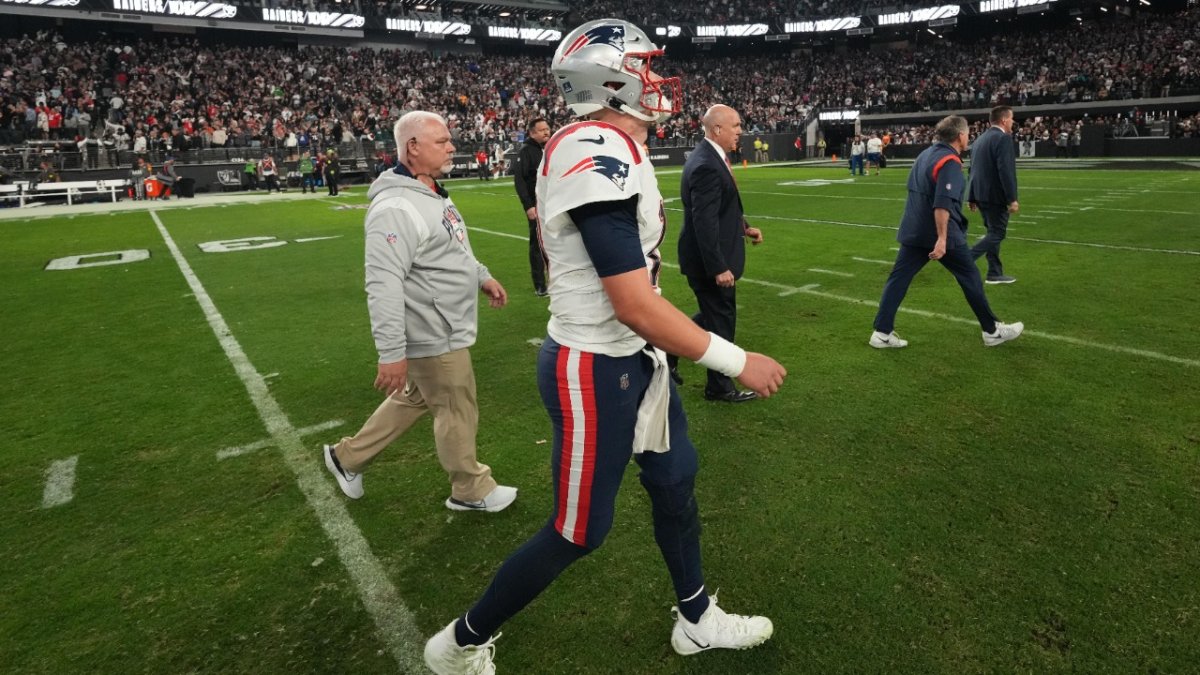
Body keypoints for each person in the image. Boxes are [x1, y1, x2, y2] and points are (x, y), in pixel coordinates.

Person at [423, 19, 787, 675]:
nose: (657, 77)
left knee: (676, 480)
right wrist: (735, 359)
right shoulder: (593, 147)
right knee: (577, 530)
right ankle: (460, 640)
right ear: (611, 79)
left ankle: (697, 619)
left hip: (633, 360)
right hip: (594, 367)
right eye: (645, 65)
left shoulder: (613, 143)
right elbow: (632, 300)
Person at [322, 110, 517, 512]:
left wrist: (481, 276)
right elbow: (383, 282)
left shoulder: (430, 190)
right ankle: (470, 489)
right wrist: (391, 351)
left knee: (417, 397)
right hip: (432, 328)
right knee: (456, 404)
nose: (452, 147)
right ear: (412, 147)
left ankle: (347, 457)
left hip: (441, 321)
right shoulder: (396, 206)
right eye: (442, 141)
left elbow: (453, 247)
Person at [868, 115, 1024, 349]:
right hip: (940, 234)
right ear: (960, 135)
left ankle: (881, 333)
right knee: (970, 276)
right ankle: (991, 330)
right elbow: (942, 203)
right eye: (968, 132)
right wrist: (941, 238)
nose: (969, 136)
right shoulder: (949, 160)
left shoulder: (925, 154)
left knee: (898, 279)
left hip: (913, 229)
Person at [671, 104, 763, 402]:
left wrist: (744, 227)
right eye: (736, 126)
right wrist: (718, 267)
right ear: (717, 129)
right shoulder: (706, 164)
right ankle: (719, 386)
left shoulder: (711, 157)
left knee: (712, 316)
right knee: (721, 319)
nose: (740, 131)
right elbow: (704, 221)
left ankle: (667, 348)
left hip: (710, 257)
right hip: (708, 262)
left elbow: (723, 208)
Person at [967, 106, 1019, 285]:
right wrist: (1012, 198)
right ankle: (966, 260)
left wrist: (972, 196)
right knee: (997, 233)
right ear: (1004, 120)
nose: (1013, 122)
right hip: (995, 196)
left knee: (992, 232)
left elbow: (972, 169)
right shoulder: (1002, 139)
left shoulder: (980, 140)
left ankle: (994, 273)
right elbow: (1006, 171)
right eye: (1011, 118)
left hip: (981, 194)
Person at [513, 117, 552, 296]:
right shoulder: (527, 150)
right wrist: (528, 206)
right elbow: (520, 180)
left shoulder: (547, 148)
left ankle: (554, 279)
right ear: (532, 133)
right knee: (537, 245)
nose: (546, 132)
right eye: (541, 130)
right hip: (537, 205)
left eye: (547, 128)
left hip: (551, 203)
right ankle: (539, 285)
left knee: (555, 242)